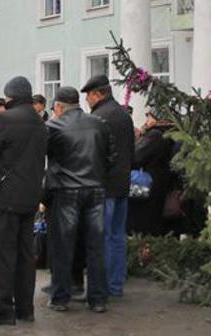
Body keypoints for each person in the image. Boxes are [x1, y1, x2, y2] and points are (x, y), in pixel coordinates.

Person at [0, 77, 47, 326]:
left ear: (9, 97)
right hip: (30, 197)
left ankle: (4, 310)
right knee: (26, 255)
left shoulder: (3, 120)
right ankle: (25, 309)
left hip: (4, 197)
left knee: (2, 254)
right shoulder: (39, 122)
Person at [44, 87, 116, 313]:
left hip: (66, 191)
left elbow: (44, 156)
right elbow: (112, 157)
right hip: (95, 189)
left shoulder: (53, 126)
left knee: (63, 246)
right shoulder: (99, 123)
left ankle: (60, 297)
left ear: (59, 106)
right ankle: (98, 299)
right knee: (96, 246)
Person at [81, 75, 135, 298]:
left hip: (103, 187)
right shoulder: (123, 114)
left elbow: (94, 155)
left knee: (100, 239)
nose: (87, 102)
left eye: (88, 97)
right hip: (122, 184)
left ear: (98, 94)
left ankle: (99, 287)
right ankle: (115, 285)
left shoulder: (99, 117)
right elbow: (131, 151)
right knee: (117, 237)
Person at [128, 111, 176, 236]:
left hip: (147, 187)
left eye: (149, 116)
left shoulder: (154, 135)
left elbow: (136, 157)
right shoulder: (169, 134)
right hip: (160, 185)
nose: (146, 120)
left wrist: (137, 140)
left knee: (142, 226)